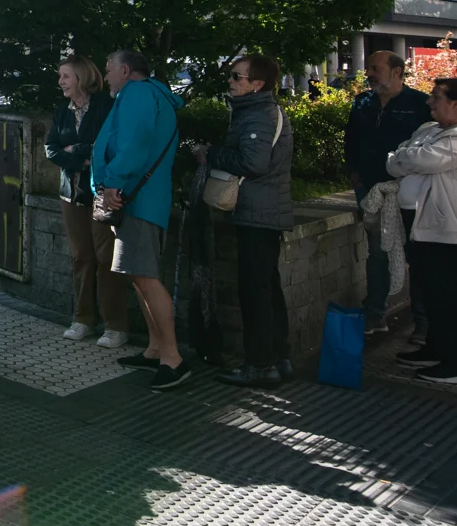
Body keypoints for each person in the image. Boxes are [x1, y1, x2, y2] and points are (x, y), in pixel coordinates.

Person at [195, 54, 296, 388]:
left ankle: (260, 365)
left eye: (237, 76)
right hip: (263, 211)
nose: (231, 81)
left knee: (255, 292)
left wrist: (212, 154)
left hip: (259, 214)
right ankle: (278, 359)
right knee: (266, 288)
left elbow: (253, 163)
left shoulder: (259, 115)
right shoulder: (258, 111)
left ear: (257, 84)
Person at [92, 49, 190, 391]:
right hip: (142, 199)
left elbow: (134, 143)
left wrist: (112, 182)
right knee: (139, 275)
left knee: (145, 278)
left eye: (108, 69)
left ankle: (172, 359)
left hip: (136, 200)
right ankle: (155, 349)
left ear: (124, 70)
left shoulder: (138, 94)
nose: (105, 76)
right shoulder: (151, 94)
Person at [387, 76, 457, 385]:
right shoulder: (429, 130)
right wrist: (406, 157)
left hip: (446, 228)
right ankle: (435, 347)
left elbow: (420, 160)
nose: (429, 102)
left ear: (456, 104)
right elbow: (394, 161)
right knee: (429, 291)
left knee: (449, 295)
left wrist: (406, 157)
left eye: (436, 97)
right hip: (422, 226)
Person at [345, 51, 432, 336]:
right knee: (378, 254)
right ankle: (375, 315)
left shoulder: (420, 104)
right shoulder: (362, 102)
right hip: (372, 192)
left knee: (416, 256)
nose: (369, 73)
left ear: (396, 72)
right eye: (368, 68)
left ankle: (423, 323)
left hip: (410, 193)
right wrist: (357, 182)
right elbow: (350, 143)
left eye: (376, 68)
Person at [47, 54, 124, 347]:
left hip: (102, 191)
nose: (61, 82)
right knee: (81, 257)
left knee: (106, 258)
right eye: (60, 76)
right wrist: (81, 158)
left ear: (81, 76)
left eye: (65, 76)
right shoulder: (61, 110)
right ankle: (83, 319)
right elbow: (51, 149)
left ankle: (115, 325)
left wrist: (75, 148)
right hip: (71, 192)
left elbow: (108, 146)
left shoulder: (106, 105)